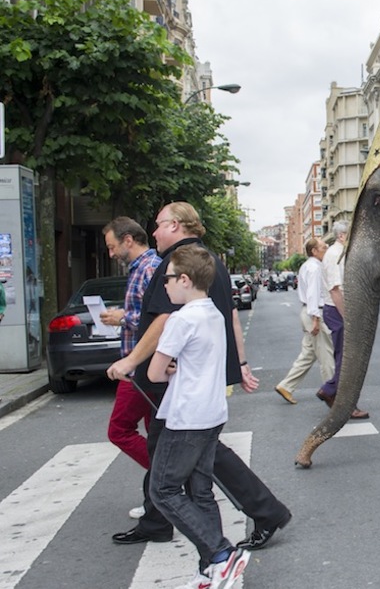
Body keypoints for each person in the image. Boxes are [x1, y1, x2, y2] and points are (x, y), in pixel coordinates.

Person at [107, 202, 291, 555]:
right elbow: (231, 317)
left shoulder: (180, 264)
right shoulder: (211, 261)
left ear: (175, 225)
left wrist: (132, 360)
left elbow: (164, 318)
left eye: (159, 225)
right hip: (200, 381)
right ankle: (164, 522)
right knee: (191, 459)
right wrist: (241, 363)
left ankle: (250, 521)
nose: (155, 232)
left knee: (182, 456)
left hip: (183, 381)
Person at [147, 244, 250, 589]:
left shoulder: (181, 319)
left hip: (186, 416)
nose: (164, 284)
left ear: (185, 280)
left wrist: (169, 367)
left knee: (163, 490)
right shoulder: (213, 313)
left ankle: (221, 553)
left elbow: (154, 373)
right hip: (212, 411)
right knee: (200, 492)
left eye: (168, 279)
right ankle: (211, 569)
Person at [98, 217, 162, 518]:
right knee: (154, 432)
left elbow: (159, 319)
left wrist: (123, 319)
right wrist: (123, 315)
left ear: (127, 240)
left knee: (119, 429)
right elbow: (145, 313)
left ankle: (168, 479)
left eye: (112, 247)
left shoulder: (148, 268)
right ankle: (161, 497)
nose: (111, 254)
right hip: (147, 364)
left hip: (141, 366)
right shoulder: (144, 268)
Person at [316, 220, 369, 419]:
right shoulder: (334, 255)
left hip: (337, 310)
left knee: (345, 357)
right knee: (348, 359)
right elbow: (335, 289)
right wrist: (347, 317)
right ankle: (336, 396)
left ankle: (336, 396)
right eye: (352, 234)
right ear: (342, 236)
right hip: (336, 310)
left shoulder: (339, 254)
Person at [274, 237, 335, 404]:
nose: (327, 248)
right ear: (314, 251)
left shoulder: (308, 266)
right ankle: (333, 394)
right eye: (323, 247)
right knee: (326, 356)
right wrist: (316, 319)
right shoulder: (315, 268)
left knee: (308, 354)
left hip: (308, 312)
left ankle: (286, 386)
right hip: (314, 313)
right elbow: (313, 295)